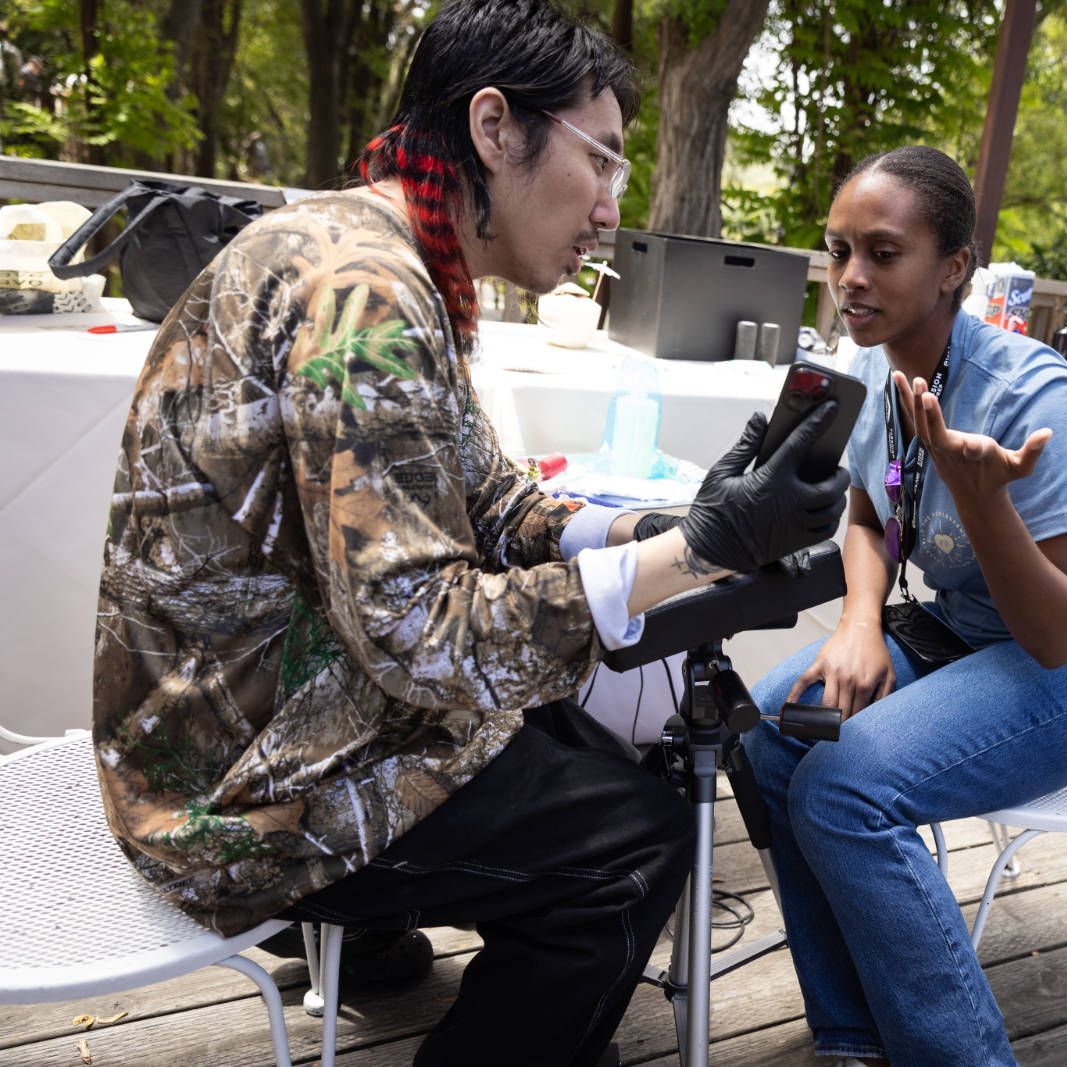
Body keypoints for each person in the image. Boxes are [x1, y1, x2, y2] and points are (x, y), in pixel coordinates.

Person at [90, 2, 848, 1064]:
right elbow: (421, 632)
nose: (609, 207)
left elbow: (491, 501)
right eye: (603, 160)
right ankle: (383, 931)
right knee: (637, 838)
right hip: (232, 792)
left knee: (575, 743)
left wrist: (668, 523)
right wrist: (698, 553)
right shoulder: (366, 294)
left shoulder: (365, 247)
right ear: (495, 127)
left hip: (242, 715)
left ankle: (377, 936)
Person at [743, 145, 1067, 1066]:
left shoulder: (1028, 393)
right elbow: (863, 508)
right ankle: (855, 1031)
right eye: (837, 249)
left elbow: (1058, 633)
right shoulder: (877, 371)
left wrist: (985, 502)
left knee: (848, 784)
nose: (850, 277)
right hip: (959, 632)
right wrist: (859, 621)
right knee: (768, 735)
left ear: (953, 268)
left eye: (882, 253)